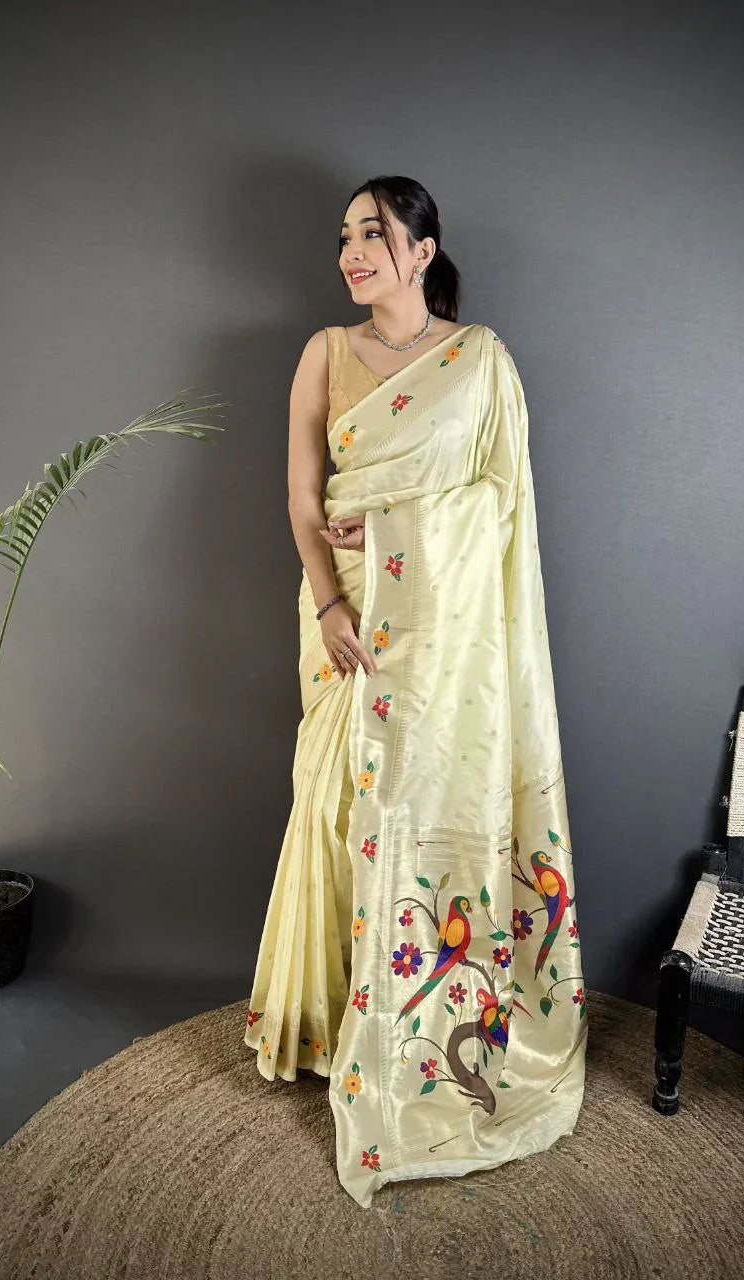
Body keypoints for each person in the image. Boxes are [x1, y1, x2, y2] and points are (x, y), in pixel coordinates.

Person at [244, 175, 588, 1208]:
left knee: (419, 804)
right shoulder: (324, 352)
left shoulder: (480, 362)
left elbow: (500, 505)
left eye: (374, 233)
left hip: (445, 634)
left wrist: (403, 528)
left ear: (422, 250)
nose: (353, 252)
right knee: (336, 806)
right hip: (347, 613)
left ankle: (417, 1025)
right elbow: (301, 496)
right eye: (346, 235)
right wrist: (326, 602)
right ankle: (326, 1023)